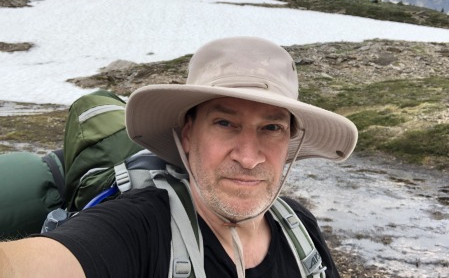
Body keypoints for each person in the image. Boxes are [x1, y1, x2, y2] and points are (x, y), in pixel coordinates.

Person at [0, 36, 357, 278]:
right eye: (224, 122)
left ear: (290, 139)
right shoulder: (141, 226)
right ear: (188, 134)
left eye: (272, 128)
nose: (249, 158)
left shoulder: (301, 230)